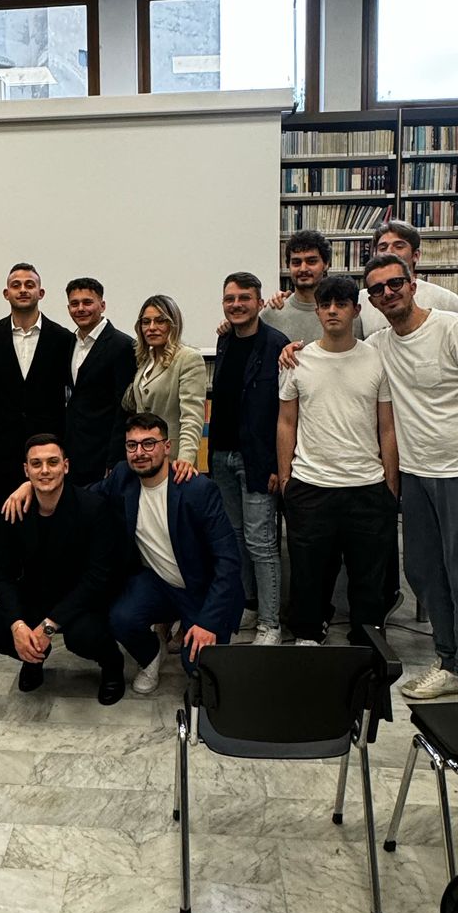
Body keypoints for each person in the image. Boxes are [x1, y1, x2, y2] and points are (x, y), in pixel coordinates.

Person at [362, 252, 458, 702]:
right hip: (416, 475)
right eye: (377, 289)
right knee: (424, 572)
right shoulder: (379, 345)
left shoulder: (453, 329)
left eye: (395, 283)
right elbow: (337, 355)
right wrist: (292, 350)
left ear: (413, 284)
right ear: (371, 300)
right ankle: (448, 662)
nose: (388, 293)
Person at [277, 274, 399, 646]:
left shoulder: (376, 359)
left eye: (341, 304)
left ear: (355, 310)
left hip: (367, 487)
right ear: (316, 311)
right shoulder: (297, 360)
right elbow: (286, 422)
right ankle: (308, 636)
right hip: (310, 487)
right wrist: (286, 481)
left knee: (368, 578)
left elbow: (387, 427)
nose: (332, 311)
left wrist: (390, 487)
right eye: (325, 305)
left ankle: (367, 643)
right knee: (308, 575)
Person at [0, 433, 126, 703]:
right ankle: (33, 657)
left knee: (82, 637)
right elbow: (3, 575)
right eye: (36, 464)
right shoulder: (14, 508)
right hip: (35, 594)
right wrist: (18, 626)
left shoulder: (92, 508)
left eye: (52, 462)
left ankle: (112, 664)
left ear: (65, 466)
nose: (44, 470)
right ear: (26, 470)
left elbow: (97, 577)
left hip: (80, 599)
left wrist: (49, 626)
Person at [106, 413, 242, 694]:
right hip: (159, 584)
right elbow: (82, 498)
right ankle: (151, 654)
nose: (140, 453)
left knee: (201, 669)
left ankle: (193, 630)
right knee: (120, 617)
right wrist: (31, 489)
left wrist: (208, 623)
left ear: (167, 447)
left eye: (149, 443)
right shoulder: (123, 477)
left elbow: (229, 561)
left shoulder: (197, 490)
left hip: (203, 591)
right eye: (132, 445)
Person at [208, 272, 287, 644]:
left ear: (259, 302)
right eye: (230, 299)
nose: (236, 304)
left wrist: (277, 465)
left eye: (244, 298)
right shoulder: (224, 340)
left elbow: (285, 411)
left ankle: (271, 624)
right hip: (221, 456)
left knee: (261, 543)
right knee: (236, 538)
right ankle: (250, 604)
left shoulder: (275, 344)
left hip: (257, 461)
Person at [0, 264, 74, 560]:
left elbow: (69, 394)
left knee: (45, 520)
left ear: (40, 293)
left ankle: (41, 582)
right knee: (1, 520)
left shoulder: (62, 337)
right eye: (16, 285)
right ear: (6, 293)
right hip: (0, 448)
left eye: (29, 284)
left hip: (46, 448)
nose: (22, 289)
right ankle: (3, 583)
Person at [63, 277, 137, 486]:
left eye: (87, 302)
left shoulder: (122, 346)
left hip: (104, 456)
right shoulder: (68, 343)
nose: (80, 309)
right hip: (73, 453)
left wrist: (115, 459)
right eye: (74, 303)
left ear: (102, 305)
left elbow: (125, 407)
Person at [123, 295, 206, 469]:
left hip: (175, 459)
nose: (151, 328)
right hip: (144, 457)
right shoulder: (144, 360)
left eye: (160, 321)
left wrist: (186, 458)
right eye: (146, 322)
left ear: (173, 324)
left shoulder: (188, 358)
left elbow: (192, 416)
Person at [358, 220, 458, 337]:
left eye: (399, 246)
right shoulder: (362, 300)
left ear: (415, 255)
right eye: (382, 248)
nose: (389, 252)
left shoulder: (446, 300)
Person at [264, 228, 334, 345]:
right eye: (296, 262)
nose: (303, 269)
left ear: (326, 264)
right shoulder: (270, 315)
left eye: (311, 261)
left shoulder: (344, 314)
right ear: (288, 266)